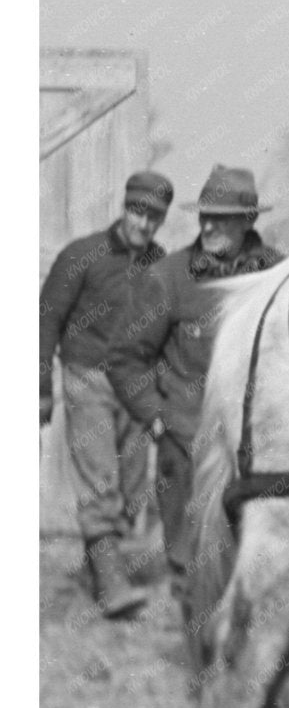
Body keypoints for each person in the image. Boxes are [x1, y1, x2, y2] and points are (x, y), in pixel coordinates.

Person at [107, 164, 281, 631]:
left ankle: (256, 671)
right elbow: (126, 357)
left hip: (258, 452)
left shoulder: (279, 275)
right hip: (186, 447)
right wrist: (156, 418)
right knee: (192, 567)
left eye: (221, 218)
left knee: (257, 565)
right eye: (204, 215)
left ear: (247, 221)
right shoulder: (169, 278)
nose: (207, 226)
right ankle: (204, 672)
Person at [38, 170, 175, 619]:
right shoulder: (82, 255)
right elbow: (46, 321)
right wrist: (39, 387)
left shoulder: (162, 263)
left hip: (136, 385)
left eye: (154, 217)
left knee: (133, 487)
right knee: (100, 479)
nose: (144, 223)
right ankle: (111, 584)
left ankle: (100, 565)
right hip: (88, 377)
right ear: (124, 207)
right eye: (138, 212)